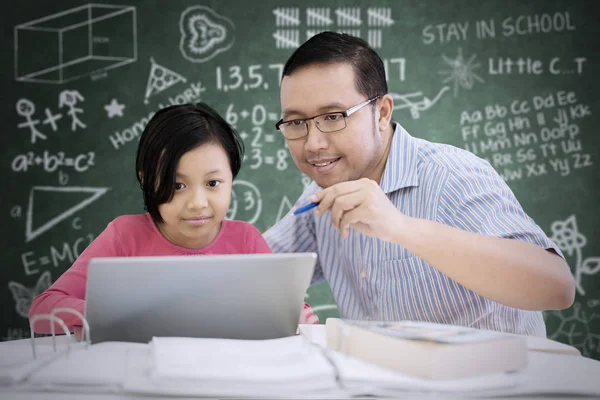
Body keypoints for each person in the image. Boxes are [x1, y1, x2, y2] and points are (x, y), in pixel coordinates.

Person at [264, 32, 575, 337]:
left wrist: (400, 226)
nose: (313, 143)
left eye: (333, 117)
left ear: (382, 112)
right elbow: (250, 264)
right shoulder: (322, 197)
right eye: (295, 123)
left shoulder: (453, 176)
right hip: (384, 385)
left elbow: (557, 288)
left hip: (493, 384)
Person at [29, 103, 318, 334]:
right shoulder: (124, 236)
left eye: (213, 183)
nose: (196, 203)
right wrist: (117, 313)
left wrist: (300, 317)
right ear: (146, 180)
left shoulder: (246, 240)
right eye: (177, 185)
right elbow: (44, 310)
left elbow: (292, 312)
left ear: (231, 178)